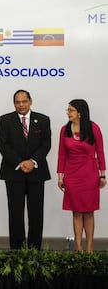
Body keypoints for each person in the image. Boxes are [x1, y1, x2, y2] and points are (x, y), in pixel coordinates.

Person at [0, 89, 51, 250]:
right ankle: (16, 249)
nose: (21, 105)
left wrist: (32, 161)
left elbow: (46, 144)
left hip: (37, 172)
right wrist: (20, 163)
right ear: (14, 103)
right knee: (15, 213)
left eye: (24, 101)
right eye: (17, 102)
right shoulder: (4, 120)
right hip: (13, 172)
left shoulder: (43, 120)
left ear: (30, 101)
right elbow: (3, 145)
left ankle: (35, 248)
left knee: (36, 213)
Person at [57, 99, 106, 253]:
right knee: (76, 212)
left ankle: (90, 248)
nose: (68, 113)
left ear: (80, 112)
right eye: (68, 110)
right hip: (72, 175)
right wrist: (60, 177)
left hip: (90, 174)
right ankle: (79, 248)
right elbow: (61, 155)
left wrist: (102, 175)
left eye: (71, 110)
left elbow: (101, 152)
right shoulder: (64, 130)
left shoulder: (94, 128)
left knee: (89, 212)